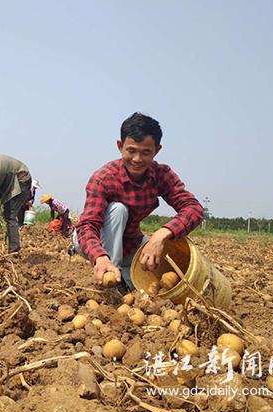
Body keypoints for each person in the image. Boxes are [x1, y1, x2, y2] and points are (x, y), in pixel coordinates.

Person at [73, 112, 204, 290]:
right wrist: (100, 257)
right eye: (131, 151)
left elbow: (194, 209)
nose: (137, 159)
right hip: (95, 241)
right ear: (120, 146)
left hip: (130, 243)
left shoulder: (161, 175)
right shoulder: (103, 178)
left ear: (157, 150)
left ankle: (126, 279)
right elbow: (87, 225)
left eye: (146, 153)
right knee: (118, 209)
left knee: (160, 262)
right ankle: (110, 282)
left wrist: (160, 236)